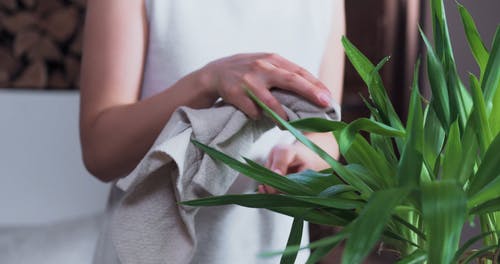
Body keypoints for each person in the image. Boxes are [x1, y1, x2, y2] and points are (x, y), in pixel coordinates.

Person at [79, 0, 345, 263]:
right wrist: (206, 82)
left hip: (273, 251)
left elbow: (325, 131)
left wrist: (307, 159)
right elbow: (100, 152)